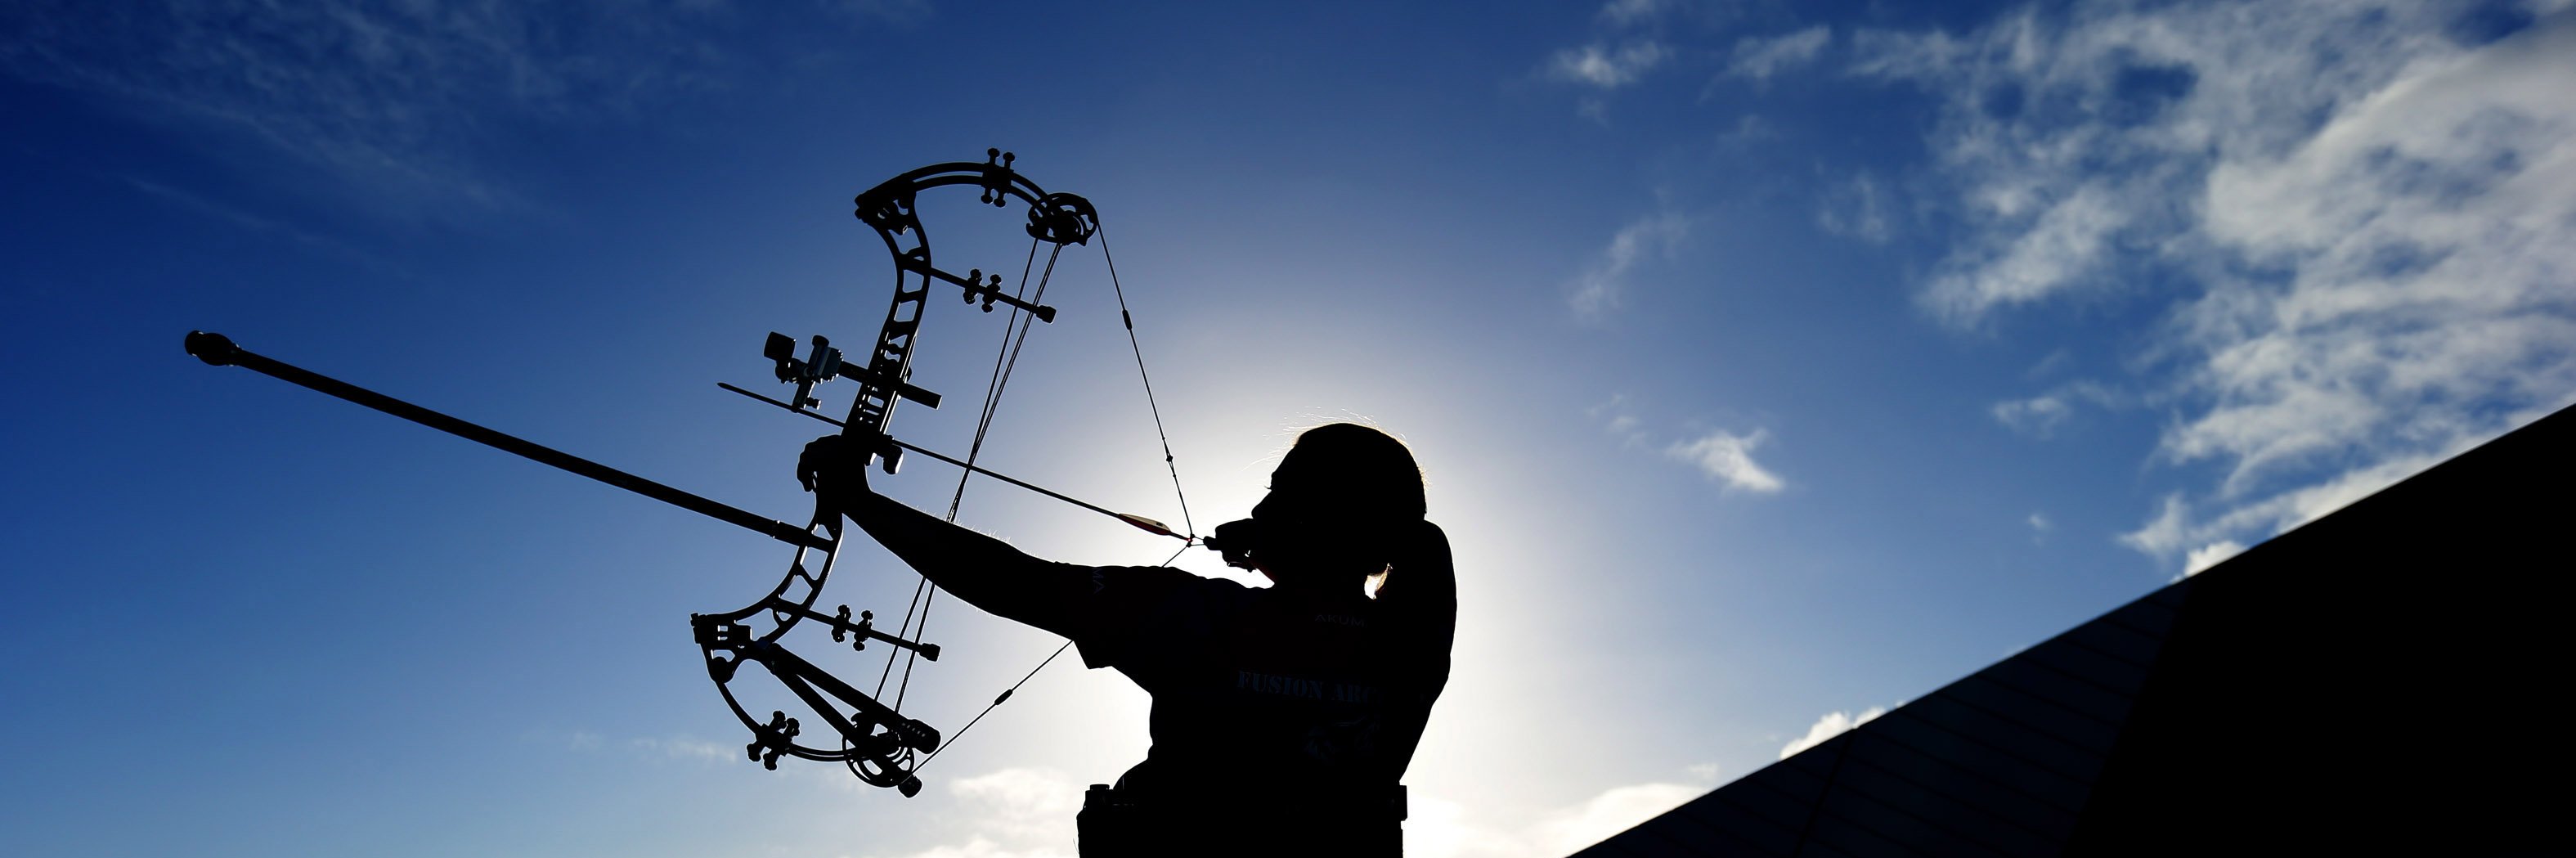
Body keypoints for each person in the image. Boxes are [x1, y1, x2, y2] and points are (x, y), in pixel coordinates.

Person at [798, 423, 1455, 856]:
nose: (1256, 511)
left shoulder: (1200, 616)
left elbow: (1010, 580)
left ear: (1314, 517)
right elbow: (1422, 543)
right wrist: (1294, 543)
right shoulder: (1408, 648)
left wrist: (859, 498)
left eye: (1275, 495)